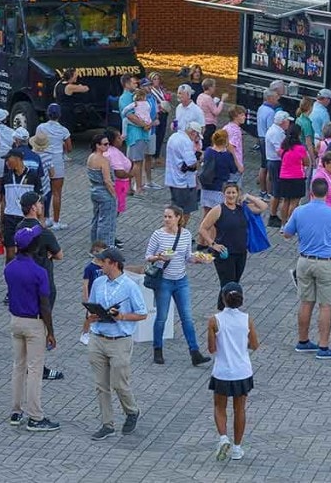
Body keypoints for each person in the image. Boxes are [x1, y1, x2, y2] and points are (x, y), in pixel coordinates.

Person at [283, 179, 331, 359]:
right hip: (327, 262)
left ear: (310, 192)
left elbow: (287, 234)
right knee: (326, 305)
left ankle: (303, 341)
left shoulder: (299, 211)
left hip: (304, 261)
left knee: (306, 302)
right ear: (327, 193)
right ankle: (323, 346)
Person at [86, 246, 148, 440]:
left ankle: (131, 411)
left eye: (103, 261)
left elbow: (142, 313)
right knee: (101, 385)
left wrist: (120, 316)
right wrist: (93, 315)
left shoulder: (130, 286)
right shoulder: (98, 282)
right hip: (98, 337)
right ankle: (107, 424)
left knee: (119, 383)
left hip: (119, 340)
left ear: (113, 264)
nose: (100, 264)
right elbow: (91, 307)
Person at [4, 224, 59, 431]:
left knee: (18, 366)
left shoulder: (9, 267)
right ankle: (35, 416)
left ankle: (16, 411)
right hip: (34, 323)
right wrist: (50, 332)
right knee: (34, 369)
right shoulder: (40, 272)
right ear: (34, 247)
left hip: (15, 320)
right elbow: (44, 304)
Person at [145, 206, 212, 366]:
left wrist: (199, 259)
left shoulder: (186, 234)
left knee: (187, 318)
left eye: (169, 217)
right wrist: (160, 257)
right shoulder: (158, 235)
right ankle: (158, 349)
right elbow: (148, 256)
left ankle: (194, 352)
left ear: (178, 218)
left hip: (181, 280)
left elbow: (187, 257)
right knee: (162, 317)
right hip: (164, 281)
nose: (166, 219)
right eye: (165, 216)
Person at [208, 281, 258, 462]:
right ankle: (237, 448)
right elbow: (254, 345)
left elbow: (212, 349)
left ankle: (223, 437)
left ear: (223, 299)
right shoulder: (247, 319)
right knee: (240, 409)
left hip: (222, 372)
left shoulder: (214, 320)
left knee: (219, 407)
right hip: (242, 371)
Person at [198, 183, 269, 291]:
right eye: (228, 193)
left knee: (235, 284)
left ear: (238, 194)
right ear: (223, 194)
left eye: (233, 193)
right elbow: (203, 228)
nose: (231, 195)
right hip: (224, 254)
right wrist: (212, 244)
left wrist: (248, 196)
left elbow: (263, 206)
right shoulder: (218, 209)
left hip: (240, 252)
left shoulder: (243, 208)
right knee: (227, 285)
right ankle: (224, 307)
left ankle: (229, 307)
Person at [38, 104, 72, 227]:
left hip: (44, 160)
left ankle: (44, 217)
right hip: (57, 160)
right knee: (57, 192)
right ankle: (56, 221)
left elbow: (38, 143)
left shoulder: (41, 127)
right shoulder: (63, 130)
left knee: (44, 190)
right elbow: (69, 148)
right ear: (60, 115)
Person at [87, 134, 119, 251]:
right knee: (107, 222)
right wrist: (114, 195)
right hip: (105, 193)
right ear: (98, 145)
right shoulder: (103, 160)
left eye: (108, 143)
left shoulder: (91, 157)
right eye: (105, 144)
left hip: (94, 190)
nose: (107, 146)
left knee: (96, 219)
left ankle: (94, 247)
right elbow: (107, 181)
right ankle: (106, 248)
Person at [166, 120, 204, 217]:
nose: (196, 140)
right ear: (193, 132)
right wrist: (199, 158)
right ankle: (180, 231)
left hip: (172, 179)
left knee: (174, 209)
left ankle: (174, 230)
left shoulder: (174, 136)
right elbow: (191, 164)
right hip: (184, 182)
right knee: (185, 212)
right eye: (197, 137)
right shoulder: (186, 142)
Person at [275, 124, 309, 224]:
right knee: (294, 202)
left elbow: (279, 154)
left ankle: (283, 224)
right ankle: (291, 223)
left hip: (284, 176)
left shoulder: (284, 146)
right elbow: (307, 162)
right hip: (297, 177)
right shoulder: (300, 148)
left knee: (285, 201)